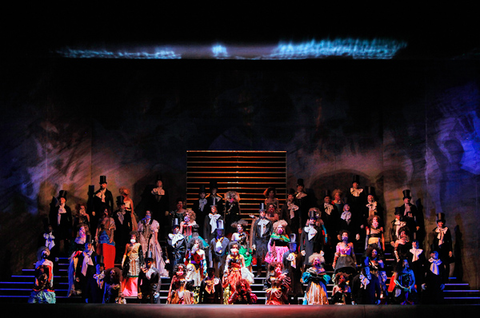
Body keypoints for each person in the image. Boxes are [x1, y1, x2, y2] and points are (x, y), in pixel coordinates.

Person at [138, 210, 168, 277]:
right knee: (143, 253)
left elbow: (155, 232)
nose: (147, 215)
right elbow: (139, 232)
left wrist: (156, 240)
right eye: (146, 213)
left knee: (152, 253)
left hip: (151, 239)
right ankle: (144, 267)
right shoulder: (142, 222)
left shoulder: (154, 222)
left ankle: (153, 267)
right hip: (143, 240)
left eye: (149, 213)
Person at [49, 190, 72, 256]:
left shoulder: (67, 209)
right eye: (60, 199)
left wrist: (69, 228)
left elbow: (70, 219)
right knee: (56, 241)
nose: (61, 200)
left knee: (66, 241)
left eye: (62, 199)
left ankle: (67, 254)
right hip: (57, 227)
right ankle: (56, 254)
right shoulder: (56, 209)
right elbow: (52, 217)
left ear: (65, 200)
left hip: (65, 228)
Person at [252, 204, 273, 277]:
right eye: (261, 212)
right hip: (258, 240)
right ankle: (259, 271)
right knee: (259, 256)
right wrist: (253, 243)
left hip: (266, 240)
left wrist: (271, 242)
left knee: (267, 255)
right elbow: (254, 233)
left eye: (264, 212)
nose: (262, 214)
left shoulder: (269, 222)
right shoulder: (257, 222)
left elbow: (272, 232)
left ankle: (268, 270)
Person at [121, 231, 143, 297]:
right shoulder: (127, 245)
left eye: (134, 236)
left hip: (136, 262)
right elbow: (125, 254)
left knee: (136, 276)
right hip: (130, 262)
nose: (132, 237)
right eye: (131, 236)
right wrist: (123, 261)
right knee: (129, 276)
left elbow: (141, 254)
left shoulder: (138, 245)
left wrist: (141, 264)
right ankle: (129, 291)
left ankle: (136, 291)